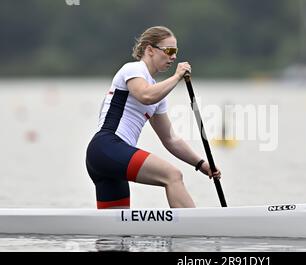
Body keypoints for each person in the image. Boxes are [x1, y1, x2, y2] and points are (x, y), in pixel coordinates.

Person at [85, 26, 221, 209]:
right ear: (150, 50)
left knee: (116, 231)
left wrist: (201, 163)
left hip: (109, 158)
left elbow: (170, 139)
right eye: (169, 51)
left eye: (176, 52)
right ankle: (194, 230)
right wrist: (177, 76)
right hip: (107, 146)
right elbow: (145, 95)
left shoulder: (158, 92)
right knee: (172, 175)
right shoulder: (132, 69)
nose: (173, 57)